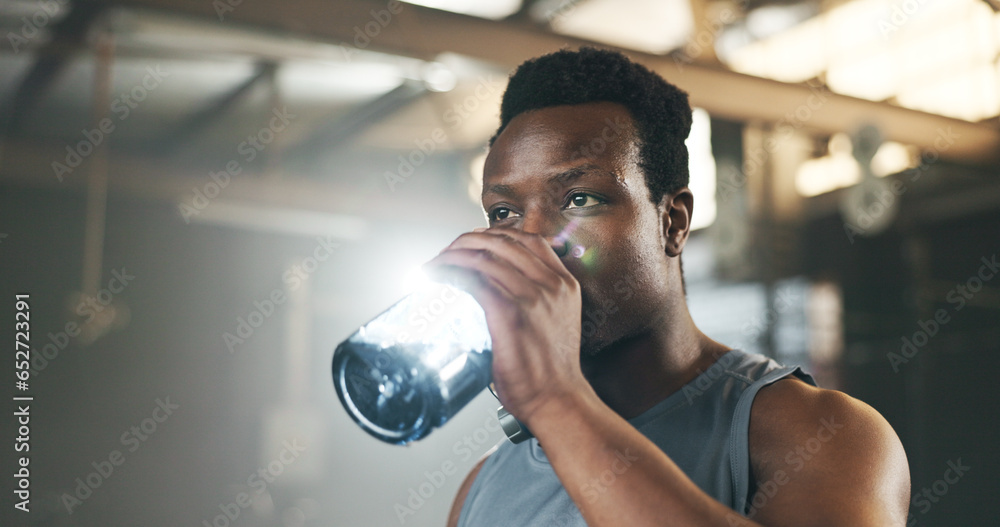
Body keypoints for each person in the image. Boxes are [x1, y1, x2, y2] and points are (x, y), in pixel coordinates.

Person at [425, 47, 910, 527]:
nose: (533, 244)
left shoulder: (819, 433)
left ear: (672, 222)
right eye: (503, 213)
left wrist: (556, 401)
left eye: (579, 198)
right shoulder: (481, 487)